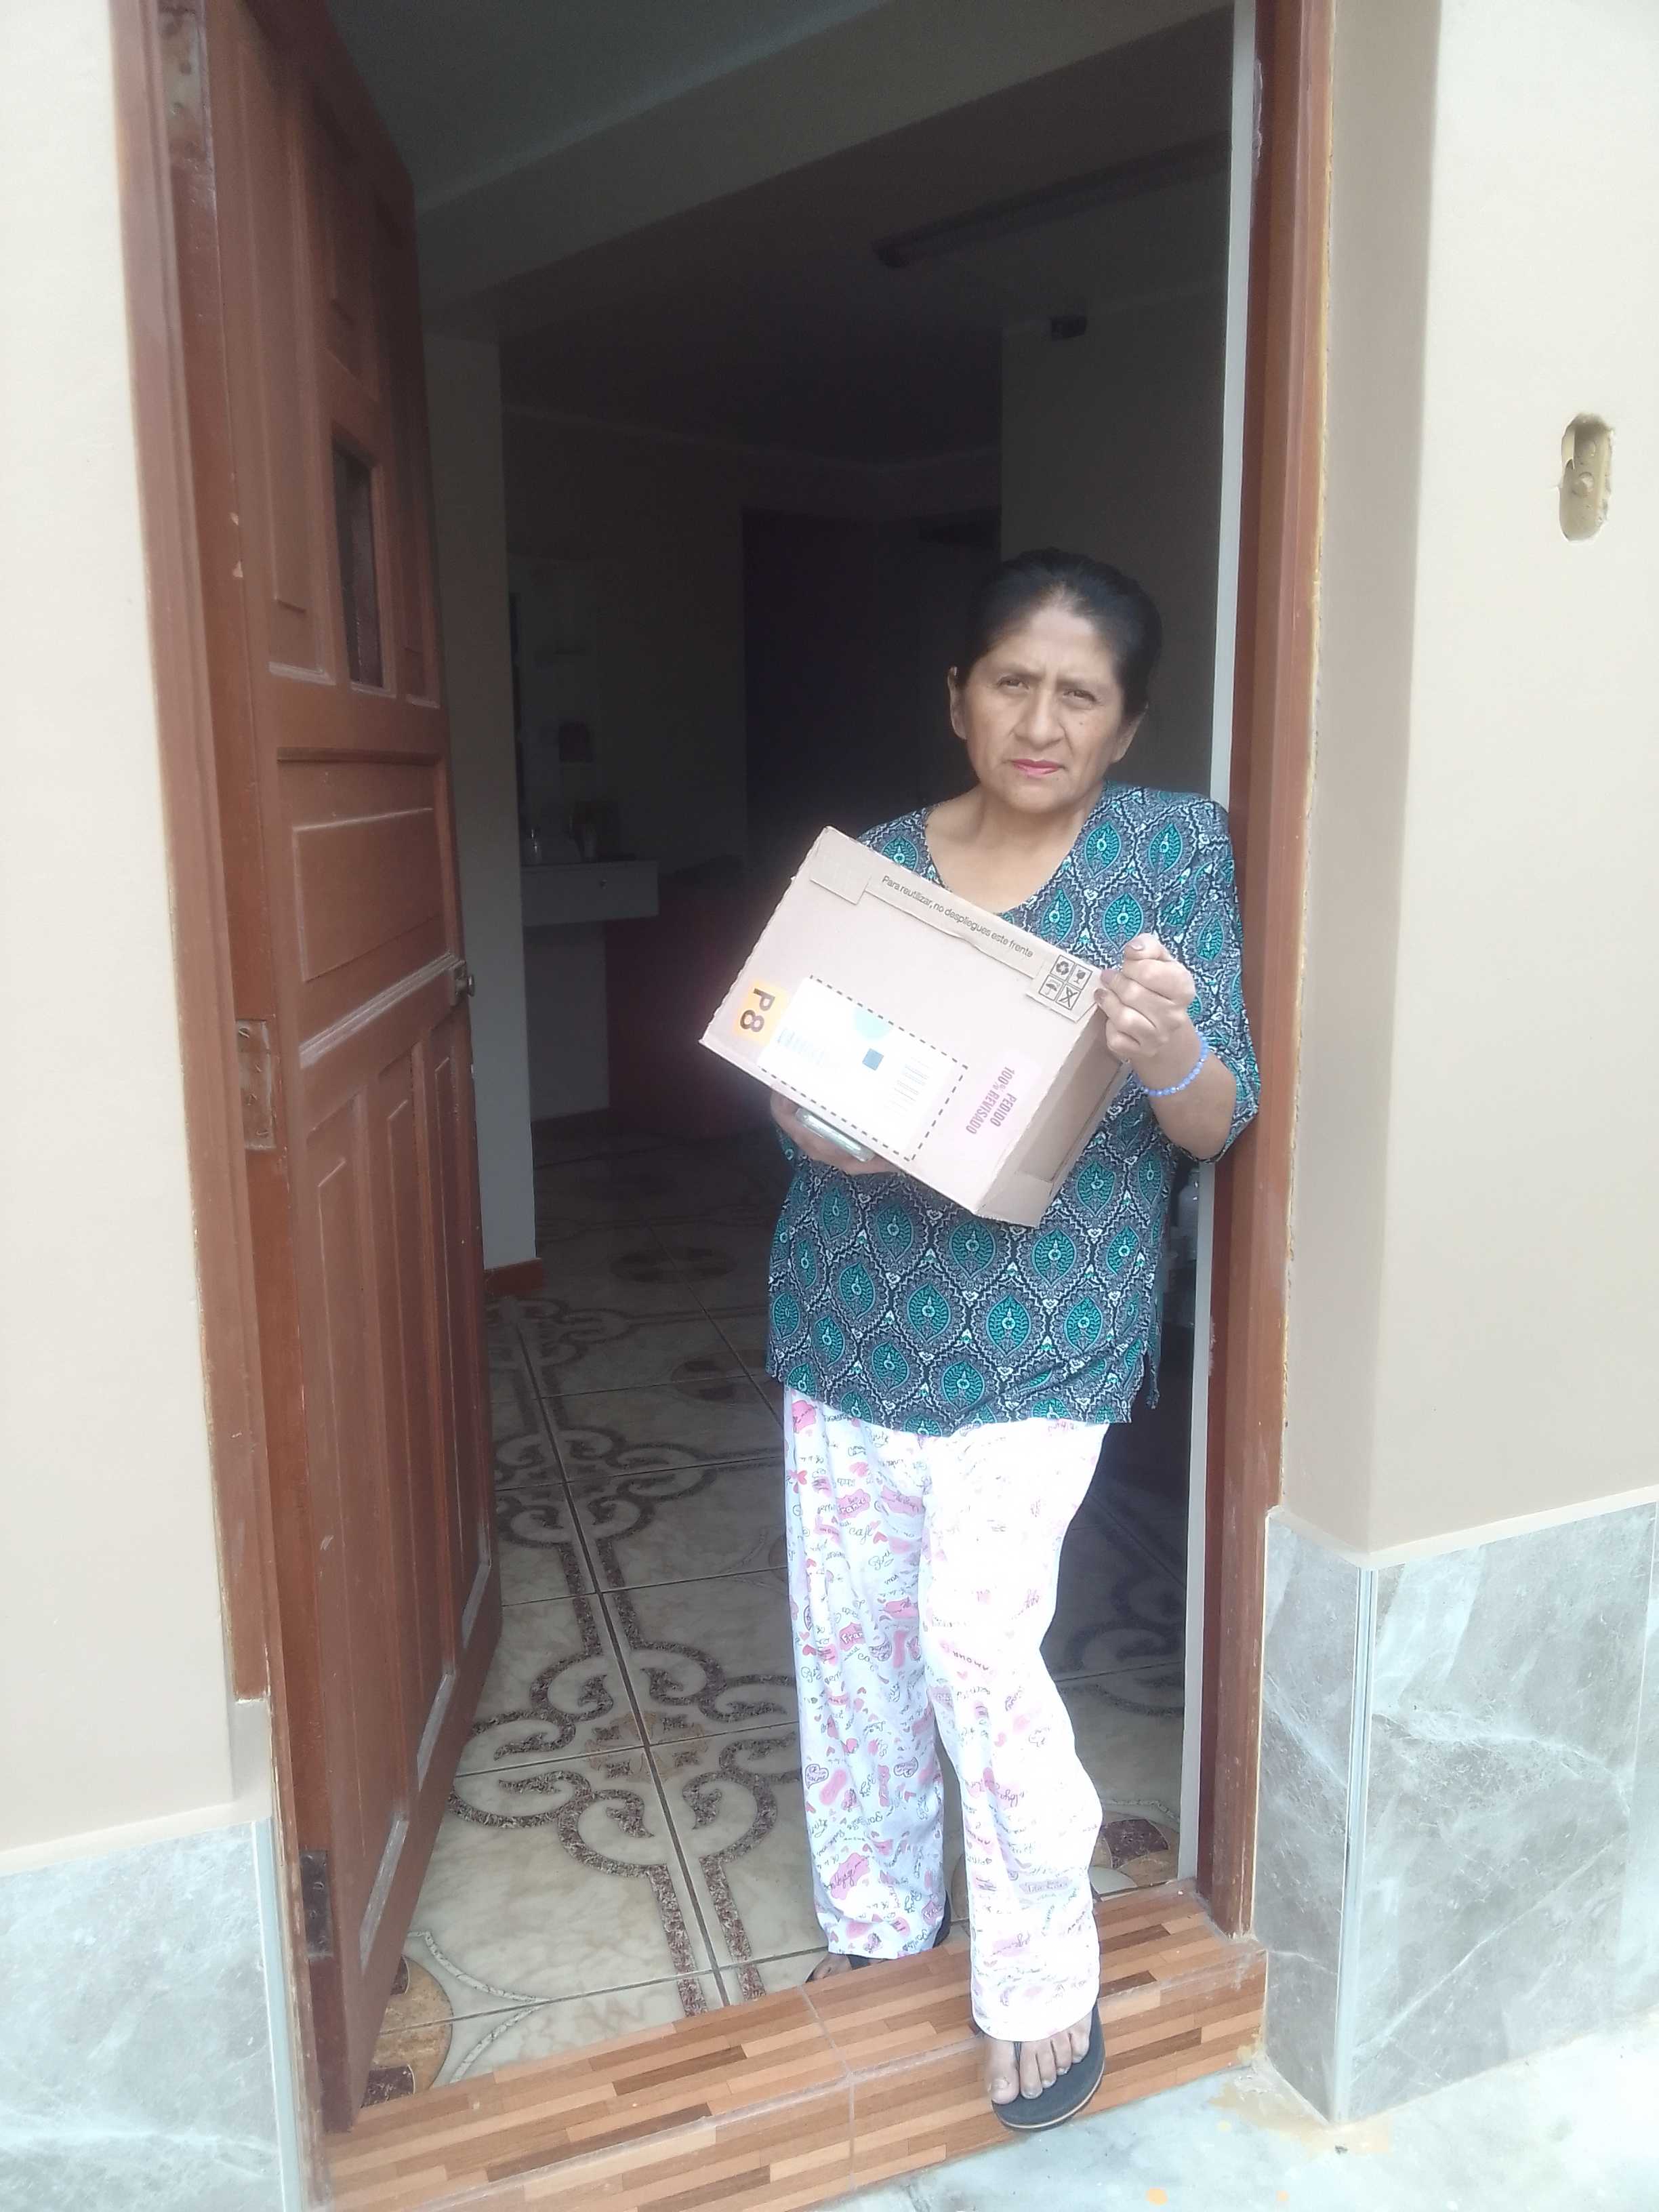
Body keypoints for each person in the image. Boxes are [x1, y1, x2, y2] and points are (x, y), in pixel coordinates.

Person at [766, 548, 1258, 2131]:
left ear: (1128, 724)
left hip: (1049, 1332)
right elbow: (798, 1084)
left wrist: (1169, 1045)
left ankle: (1043, 1971)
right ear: (959, 698)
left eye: (1081, 695)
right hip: (852, 1312)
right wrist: (813, 1123)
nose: (1042, 722)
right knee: (854, 1644)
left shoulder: (1172, 854)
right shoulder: (875, 868)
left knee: (973, 1645)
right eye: (1012, 684)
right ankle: (876, 1918)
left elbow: (1215, 1121)